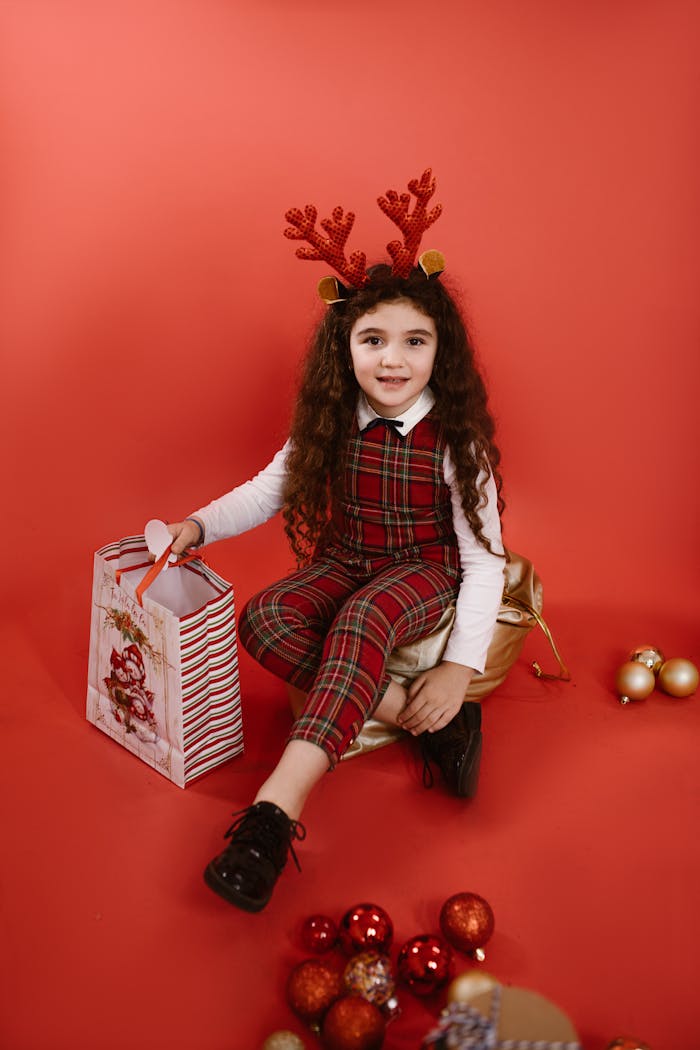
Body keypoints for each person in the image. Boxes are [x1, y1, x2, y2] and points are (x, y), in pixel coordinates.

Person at [164, 175, 506, 913]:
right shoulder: (332, 419)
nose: (392, 360)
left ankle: (270, 817)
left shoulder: (455, 440)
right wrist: (197, 525)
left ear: (438, 352)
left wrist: (457, 666)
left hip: (424, 572)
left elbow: (484, 557)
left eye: (414, 342)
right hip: (347, 561)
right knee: (263, 617)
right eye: (373, 340)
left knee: (361, 620)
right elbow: (265, 491)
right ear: (344, 346)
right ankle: (415, 715)